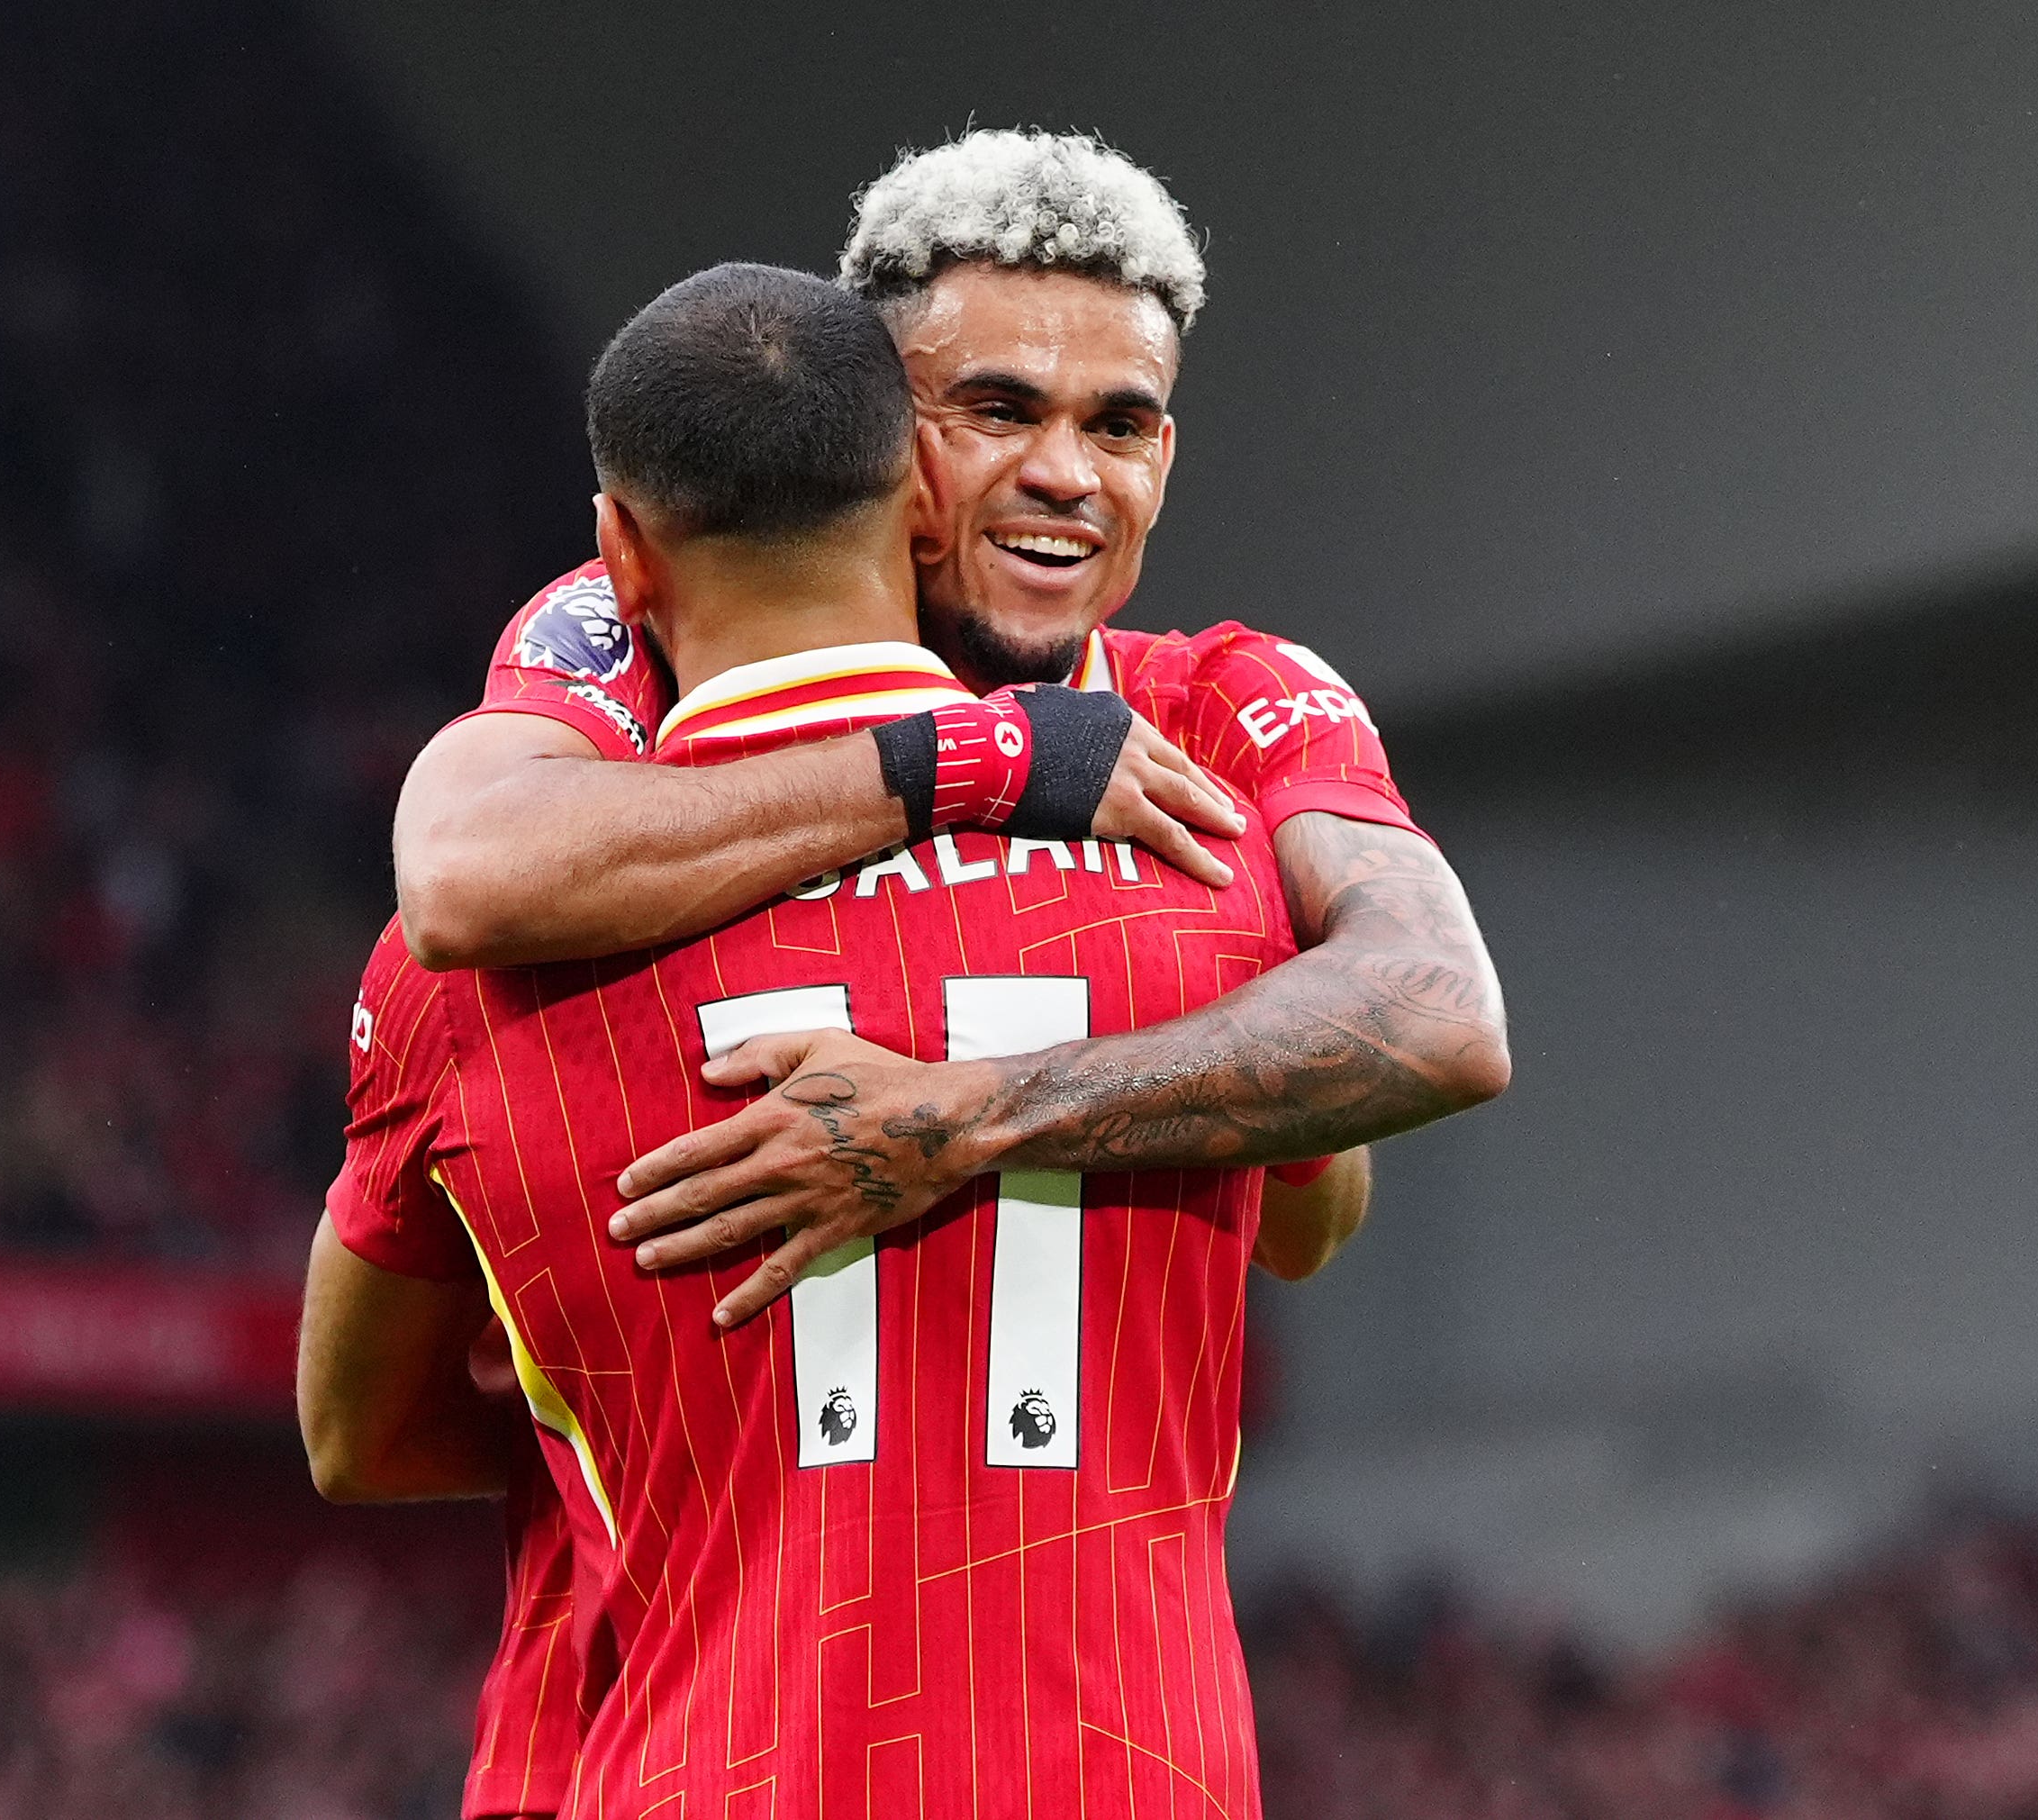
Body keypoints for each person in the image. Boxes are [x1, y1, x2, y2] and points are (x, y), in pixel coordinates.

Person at [376, 131, 1511, 1816]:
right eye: (1000, 411)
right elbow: (462, 875)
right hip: (642, 1718)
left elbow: (1411, 1052)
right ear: (877, 434)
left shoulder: (1223, 705)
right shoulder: (638, 633)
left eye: (1120, 425)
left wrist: (972, 1115)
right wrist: (983, 762)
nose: (1069, 474)